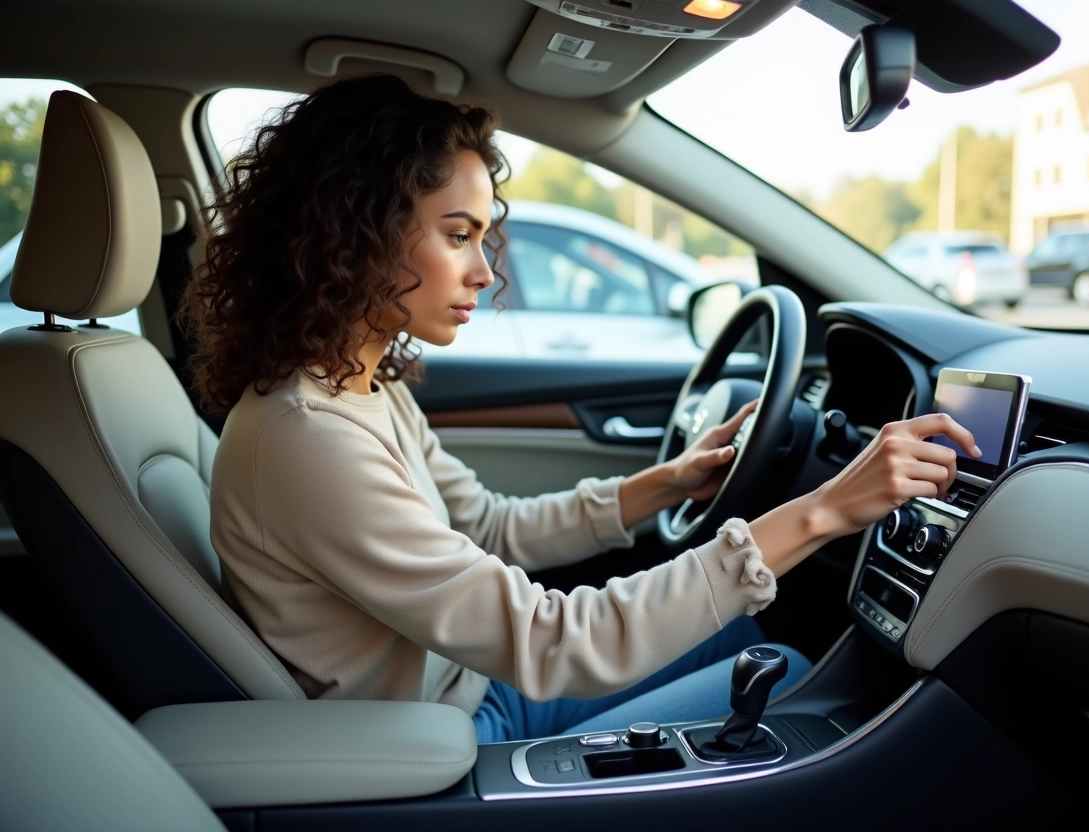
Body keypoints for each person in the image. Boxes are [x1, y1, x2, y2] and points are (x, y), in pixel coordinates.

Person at [179, 74, 979, 744]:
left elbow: (487, 528)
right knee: (795, 686)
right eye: (457, 235)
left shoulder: (358, 385)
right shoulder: (308, 439)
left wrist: (665, 483)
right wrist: (827, 510)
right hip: (438, 743)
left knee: (744, 637)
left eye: (482, 236)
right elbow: (548, 640)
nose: (485, 274)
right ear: (354, 233)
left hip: (467, 684)